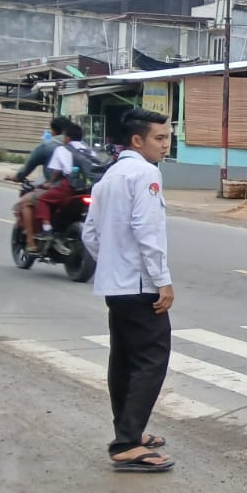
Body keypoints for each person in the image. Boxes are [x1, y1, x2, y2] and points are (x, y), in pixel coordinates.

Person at [83, 108, 175, 473]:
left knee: (123, 359)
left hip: (115, 285)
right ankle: (126, 443)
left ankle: (129, 431)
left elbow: (90, 233)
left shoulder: (110, 175)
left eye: (168, 138)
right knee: (152, 360)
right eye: (160, 138)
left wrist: (111, 265)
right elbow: (148, 232)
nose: (166, 145)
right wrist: (162, 280)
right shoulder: (145, 173)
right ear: (137, 140)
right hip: (140, 285)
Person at [8, 116, 69, 253]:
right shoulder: (80, 146)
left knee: (25, 202)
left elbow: (27, 169)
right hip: (80, 190)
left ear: (53, 131)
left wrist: (16, 177)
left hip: (59, 189)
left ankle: (31, 243)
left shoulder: (48, 147)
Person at [33, 122, 93, 247]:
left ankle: (47, 229)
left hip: (70, 187)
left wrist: (50, 183)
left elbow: (56, 171)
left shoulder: (62, 149)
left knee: (43, 200)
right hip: (89, 189)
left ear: (68, 138)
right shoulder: (90, 151)